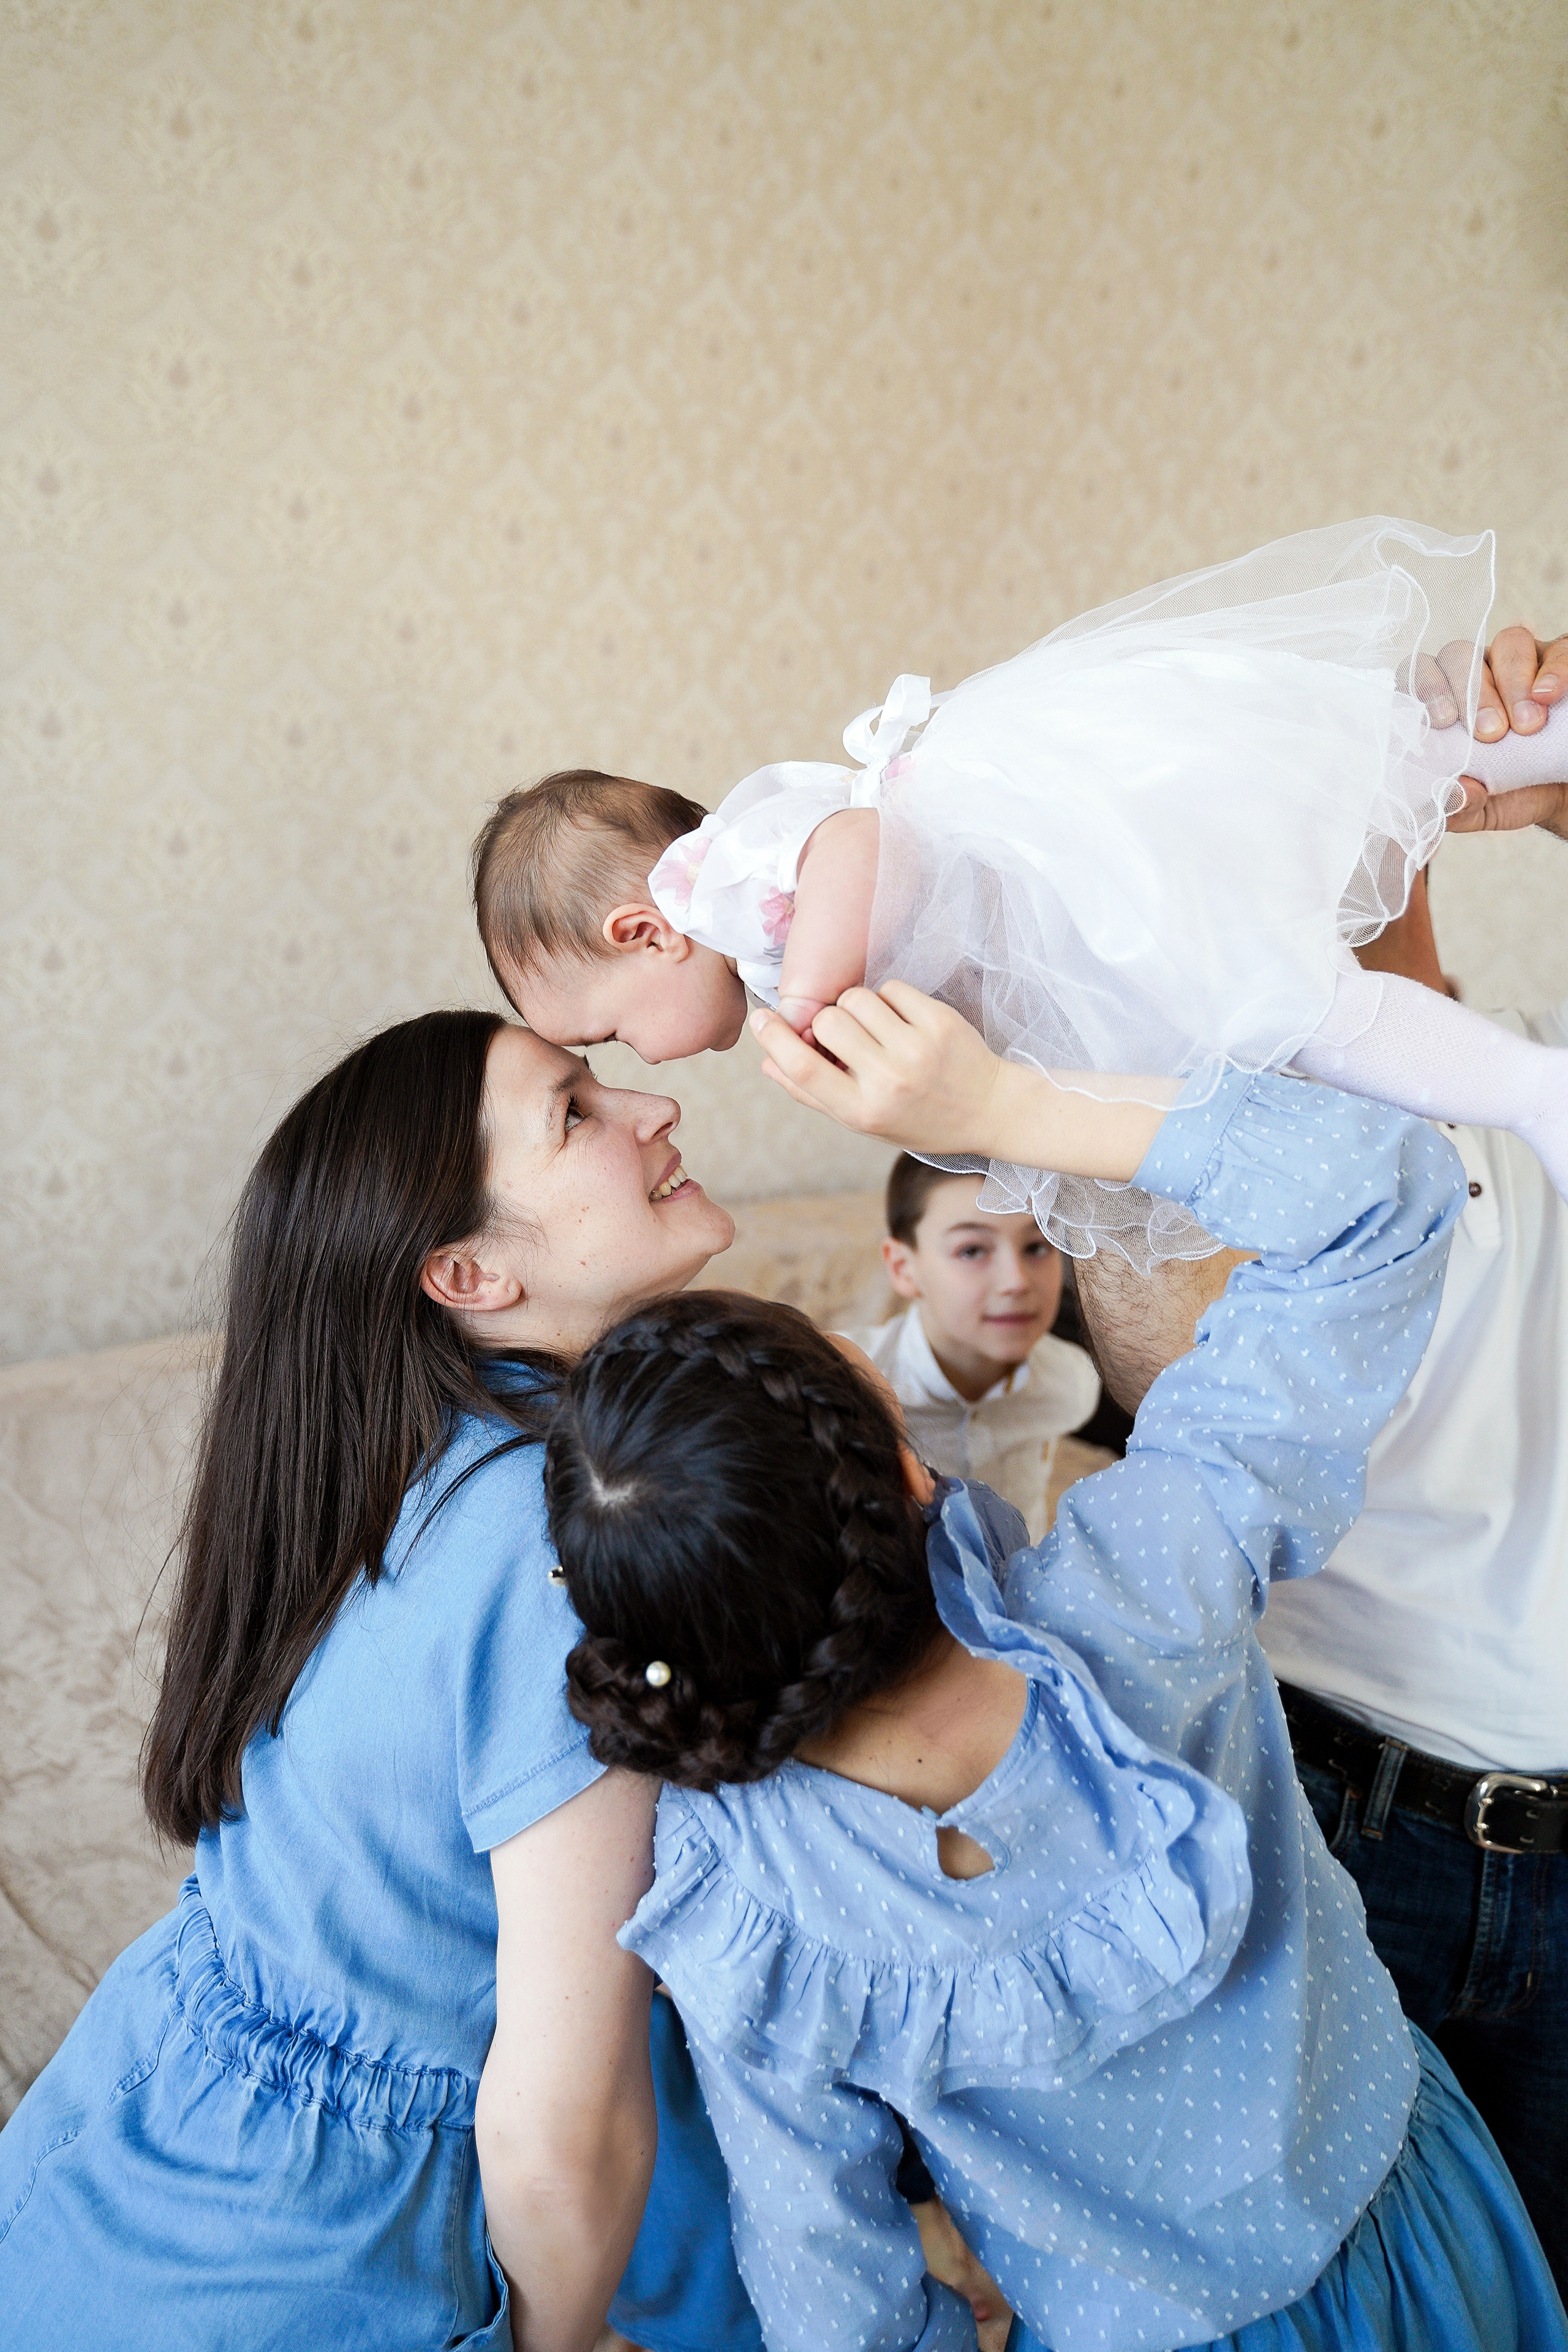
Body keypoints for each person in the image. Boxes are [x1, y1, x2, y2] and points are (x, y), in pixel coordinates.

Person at [545, 981, 1568, 2352]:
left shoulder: (743, 1906)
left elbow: (829, 2292)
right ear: (909, 1469)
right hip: (1423, 2242)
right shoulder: (1144, 1588)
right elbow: (1382, 1194)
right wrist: (1000, 1107)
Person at [0, 1009, 760, 2352]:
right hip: (303, 2255)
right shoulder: (565, 1557)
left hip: (120, 2128)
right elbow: (557, 2123)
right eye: (575, 1112)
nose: (653, 1110)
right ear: (464, 1274)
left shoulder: (386, 1457)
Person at [473, 519, 1568, 1261]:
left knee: (1376, 794)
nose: (647, 1062)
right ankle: (1526, 1087)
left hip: (1065, 836)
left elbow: (855, 840)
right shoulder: (744, 936)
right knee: (1314, 968)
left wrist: (815, 997)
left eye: (613, 1035)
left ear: (642, 930)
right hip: (1080, 906)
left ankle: (1527, 1064)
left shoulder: (721, 883)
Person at [835, 1152, 1109, 1541]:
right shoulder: (846, 1384)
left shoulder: (1072, 1382)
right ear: (903, 1268)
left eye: (1037, 1247)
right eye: (972, 1250)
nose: (1016, 1282)